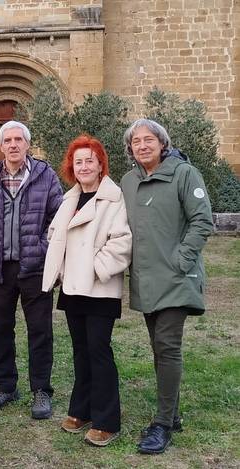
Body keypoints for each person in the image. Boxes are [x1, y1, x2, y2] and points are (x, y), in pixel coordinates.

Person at [120, 119, 213, 455]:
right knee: (158, 348)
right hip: (146, 279)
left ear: (162, 143)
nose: (142, 146)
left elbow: (202, 220)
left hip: (176, 278)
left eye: (149, 140)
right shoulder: (128, 182)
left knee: (167, 346)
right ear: (130, 149)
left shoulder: (184, 174)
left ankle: (162, 424)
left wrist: (181, 260)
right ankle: (171, 414)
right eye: (136, 142)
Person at [42, 135, 132, 446]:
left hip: (99, 287)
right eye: (78, 162)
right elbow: (56, 235)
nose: (83, 166)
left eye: (89, 161)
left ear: (100, 165)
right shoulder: (70, 198)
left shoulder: (114, 198)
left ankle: (107, 420)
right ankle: (81, 410)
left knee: (99, 350)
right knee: (80, 350)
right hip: (73, 287)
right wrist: (63, 269)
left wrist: (93, 268)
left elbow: (122, 242)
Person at [0, 120, 63, 419]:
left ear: (27, 144)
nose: (13, 145)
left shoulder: (45, 176)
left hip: (34, 268)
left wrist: (42, 249)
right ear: (1, 146)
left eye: (18, 139)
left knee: (40, 331)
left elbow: (58, 218)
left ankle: (41, 390)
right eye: (7, 140)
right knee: (0, 329)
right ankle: (6, 387)